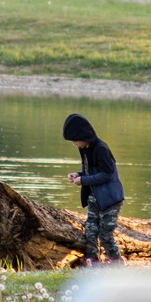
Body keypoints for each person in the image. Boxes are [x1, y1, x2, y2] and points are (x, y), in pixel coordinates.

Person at [63, 113, 125, 265]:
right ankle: (93, 263)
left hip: (109, 199)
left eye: (74, 140)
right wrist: (78, 174)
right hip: (94, 196)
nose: (74, 144)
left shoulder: (101, 148)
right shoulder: (84, 149)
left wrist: (83, 180)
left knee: (105, 235)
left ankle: (117, 264)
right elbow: (91, 171)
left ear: (83, 136)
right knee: (90, 231)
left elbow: (107, 174)